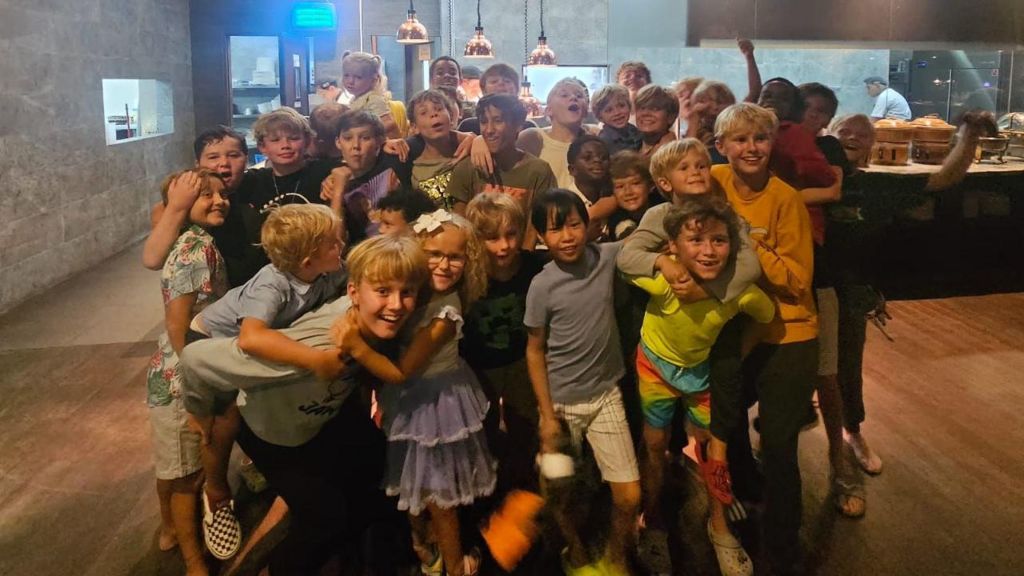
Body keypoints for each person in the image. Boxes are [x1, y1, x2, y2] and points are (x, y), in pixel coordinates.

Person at [180, 235, 427, 575]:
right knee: (324, 521)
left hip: (320, 418)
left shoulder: (381, 327)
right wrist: (198, 410)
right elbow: (194, 358)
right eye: (383, 291)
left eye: (407, 292)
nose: (397, 304)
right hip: (274, 434)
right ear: (354, 292)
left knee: (377, 468)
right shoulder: (316, 344)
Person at [827, 112, 992, 477]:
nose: (852, 137)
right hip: (804, 290)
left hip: (852, 292)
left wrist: (968, 137)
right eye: (844, 131)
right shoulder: (807, 181)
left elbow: (943, 179)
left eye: (861, 134)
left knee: (848, 367)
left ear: (873, 145)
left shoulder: (880, 188)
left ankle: (852, 432)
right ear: (828, 136)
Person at [336, 211, 495, 576]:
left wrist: (356, 347)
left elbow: (401, 372)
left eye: (455, 256)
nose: (444, 264)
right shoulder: (410, 291)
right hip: (410, 399)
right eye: (434, 253)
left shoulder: (445, 312)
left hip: (436, 403)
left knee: (441, 494)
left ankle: (451, 564)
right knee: (414, 476)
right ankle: (423, 546)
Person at [628, 195, 774, 576]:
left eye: (719, 241)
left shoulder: (737, 292)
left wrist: (739, 354)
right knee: (655, 444)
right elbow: (625, 263)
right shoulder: (664, 283)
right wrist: (660, 261)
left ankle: (718, 519)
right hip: (655, 369)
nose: (709, 252)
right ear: (674, 245)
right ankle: (652, 516)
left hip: (700, 373)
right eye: (696, 241)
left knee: (712, 447)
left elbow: (766, 316)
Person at [713, 103, 818, 575]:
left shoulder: (786, 199)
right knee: (724, 421)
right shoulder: (711, 180)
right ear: (722, 147)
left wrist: (747, 243)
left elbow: (797, 280)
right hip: (733, 326)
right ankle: (737, 502)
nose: (751, 148)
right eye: (740, 139)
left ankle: (782, 544)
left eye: (760, 138)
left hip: (788, 330)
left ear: (772, 144)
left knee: (777, 442)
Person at [525, 189, 641, 575]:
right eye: (555, 229)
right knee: (558, 491)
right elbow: (534, 351)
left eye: (575, 224)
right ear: (541, 236)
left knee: (629, 496)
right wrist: (546, 416)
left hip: (607, 395)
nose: (568, 236)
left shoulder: (606, 257)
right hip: (560, 403)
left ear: (588, 225)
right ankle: (574, 550)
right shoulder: (542, 285)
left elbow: (641, 237)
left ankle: (617, 556)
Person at [147, 169, 230, 576]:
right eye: (206, 197)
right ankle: (194, 562)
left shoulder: (195, 242)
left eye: (221, 194)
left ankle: (168, 526)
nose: (219, 201)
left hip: (177, 369)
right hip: (184, 375)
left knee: (173, 464)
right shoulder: (195, 250)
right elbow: (178, 327)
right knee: (187, 475)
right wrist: (199, 390)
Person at [797, 81, 866, 518]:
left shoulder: (827, 149)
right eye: (807, 108)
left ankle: (840, 466)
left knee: (829, 373)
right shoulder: (774, 147)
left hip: (819, 277)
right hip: (773, 282)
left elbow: (835, 192)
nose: (813, 117)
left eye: (823, 112)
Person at [463, 193, 545, 493]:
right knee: (481, 432)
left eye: (511, 235)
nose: (504, 246)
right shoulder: (466, 276)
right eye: (492, 238)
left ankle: (522, 489)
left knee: (525, 428)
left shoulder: (535, 266)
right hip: (477, 366)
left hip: (521, 362)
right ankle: (487, 492)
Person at [144, 126, 268, 288]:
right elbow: (153, 260)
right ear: (198, 163)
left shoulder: (260, 183)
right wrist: (177, 207)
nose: (224, 163)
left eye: (233, 155)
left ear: (246, 159)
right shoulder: (180, 202)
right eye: (213, 157)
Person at [447, 94, 557, 249]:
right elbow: (461, 226)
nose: (489, 130)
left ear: (518, 124)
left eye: (498, 121)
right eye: (484, 122)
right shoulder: (467, 168)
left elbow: (533, 231)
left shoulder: (538, 171)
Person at [324, 111, 412, 245]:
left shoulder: (394, 160)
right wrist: (338, 191)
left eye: (365, 138)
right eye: (348, 138)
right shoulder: (334, 181)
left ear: (379, 140)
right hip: (361, 257)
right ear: (338, 142)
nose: (356, 146)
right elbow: (335, 242)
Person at [517, 78, 593, 190]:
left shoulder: (594, 141)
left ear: (586, 110)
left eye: (579, 96)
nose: (573, 98)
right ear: (549, 110)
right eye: (564, 95)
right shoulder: (533, 137)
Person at [457, 63, 539, 134]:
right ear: (483, 89)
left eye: (507, 81)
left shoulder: (529, 127)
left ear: (516, 90)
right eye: (494, 81)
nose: (501, 83)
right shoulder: (468, 126)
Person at [607, 150, 664, 242]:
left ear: (650, 185)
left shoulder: (663, 205)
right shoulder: (617, 218)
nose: (628, 192)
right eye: (620, 186)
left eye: (635, 183)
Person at [341, 51, 400, 138]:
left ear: (373, 79)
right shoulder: (356, 99)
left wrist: (364, 133)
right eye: (346, 75)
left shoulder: (373, 99)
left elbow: (389, 123)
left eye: (358, 77)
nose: (350, 81)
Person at [593, 83, 642, 154]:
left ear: (629, 106)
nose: (617, 113)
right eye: (609, 110)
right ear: (600, 117)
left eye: (621, 106)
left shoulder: (635, 131)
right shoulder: (604, 142)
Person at [635, 84, 679, 158]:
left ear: (670, 117)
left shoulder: (675, 152)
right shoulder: (629, 141)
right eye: (642, 108)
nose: (645, 113)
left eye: (654, 109)